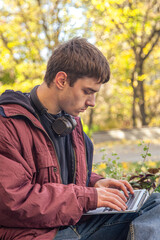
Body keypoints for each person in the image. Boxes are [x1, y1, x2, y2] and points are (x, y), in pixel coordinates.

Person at [0, 37, 160, 240]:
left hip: (74, 224)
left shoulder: (70, 121)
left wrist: (95, 184)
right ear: (61, 80)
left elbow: (60, 175)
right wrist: (88, 197)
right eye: (87, 91)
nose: (92, 102)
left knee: (155, 204)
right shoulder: (8, 124)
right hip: (39, 234)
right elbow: (12, 201)